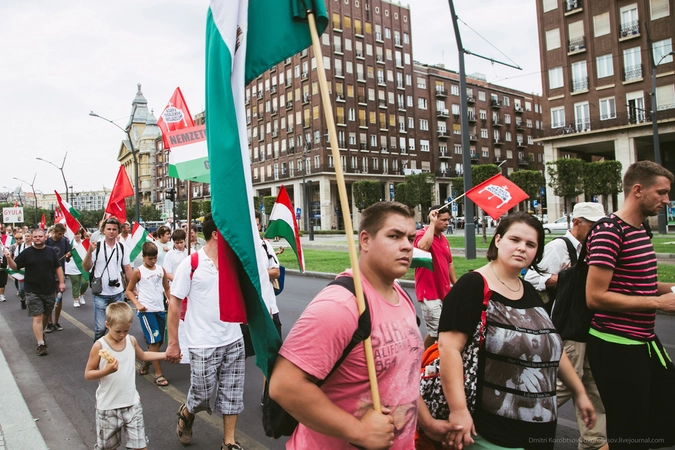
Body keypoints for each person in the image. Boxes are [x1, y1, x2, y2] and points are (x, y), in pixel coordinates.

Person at [270, 202, 424, 449]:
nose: (407, 245)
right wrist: (359, 431)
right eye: (394, 236)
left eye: (410, 238)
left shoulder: (401, 294)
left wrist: (430, 424)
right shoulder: (339, 305)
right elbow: (284, 385)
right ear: (365, 240)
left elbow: (403, 376)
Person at [438, 212, 595, 450]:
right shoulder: (473, 286)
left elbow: (552, 347)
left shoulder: (529, 290)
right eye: (515, 240)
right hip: (493, 431)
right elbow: (449, 350)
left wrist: (579, 392)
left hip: (540, 431)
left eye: (530, 244)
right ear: (498, 240)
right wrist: (458, 410)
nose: (522, 248)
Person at [585, 161, 675, 450]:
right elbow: (595, 296)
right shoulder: (610, 231)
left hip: (644, 341)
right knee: (629, 432)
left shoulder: (640, 230)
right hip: (616, 345)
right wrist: (659, 302)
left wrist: (670, 289)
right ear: (638, 190)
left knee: (658, 420)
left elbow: (641, 283)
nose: (667, 200)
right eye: (661, 192)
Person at [524, 202, 608, 450]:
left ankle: (594, 441)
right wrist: (561, 278)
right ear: (577, 222)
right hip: (567, 327)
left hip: (585, 326)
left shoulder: (591, 248)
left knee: (592, 385)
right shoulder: (559, 247)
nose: (597, 231)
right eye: (593, 226)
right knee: (565, 383)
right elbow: (531, 277)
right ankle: (523, 416)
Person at [166, 213, 245, 450]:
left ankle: (229, 442)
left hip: (233, 338)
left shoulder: (234, 261)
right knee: (201, 393)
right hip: (202, 341)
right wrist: (173, 343)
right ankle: (187, 412)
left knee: (232, 393)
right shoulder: (191, 264)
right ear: (216, 234)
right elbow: (174, 304)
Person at [84, 302, 168, 450]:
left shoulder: (131, 340)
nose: (122, 335)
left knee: (140, 446)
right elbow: (88, 374)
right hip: (108, 406)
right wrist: (106, 371)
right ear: (107, 325)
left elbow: (143, 356)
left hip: (132, 403)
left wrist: (165, 355)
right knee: (107, 447)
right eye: (118, 331)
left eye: (126, 330)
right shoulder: (99, 345)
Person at [3, 228, 66, 356]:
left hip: (49, 289)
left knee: (46, 315)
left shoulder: (51, 251)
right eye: (35, 236)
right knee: (37, 317)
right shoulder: (27, 253)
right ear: (32, 238)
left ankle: (40, 333)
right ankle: (41, 344)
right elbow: (15, 266)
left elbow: (58, 267)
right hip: (32, 290)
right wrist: (9, 259)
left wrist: (61, 282)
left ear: (45, 237)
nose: (38, 238)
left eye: (40, 236)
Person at [125, 242, 171, 386]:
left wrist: (170, 299)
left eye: (155, 258)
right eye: (150, 258)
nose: (153, 261)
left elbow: (166, 288)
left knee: (160, 341)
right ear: (143, 257)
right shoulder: (138, 272)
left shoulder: (161, 269)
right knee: (154, 341)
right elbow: (129, 291)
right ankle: (158, 373)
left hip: (160, 309)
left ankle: (146, 360)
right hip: (146, 311)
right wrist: (137, 304)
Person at [83, 217, 133, 342]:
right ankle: (98, 351)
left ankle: (116, 349)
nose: (111, 232)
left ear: (118, 231)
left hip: (117, 293)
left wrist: (132, 288)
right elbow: (86, 267)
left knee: (119, 326)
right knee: (100, 328)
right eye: (108, 229)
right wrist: (89, 251)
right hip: (101, 293)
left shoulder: (122, 247)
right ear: (103, 230)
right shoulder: (97, 246)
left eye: (114, 229)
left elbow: (127, 268)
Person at [414, 204, 457, 349]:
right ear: (434, 218)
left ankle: (423, 356)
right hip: (429, 292)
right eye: (443, 220)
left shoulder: (444, 240)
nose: (447, 223)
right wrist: (432, 223)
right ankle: (425, 357)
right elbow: (422, 248)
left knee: (437, 332)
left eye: (448, 220)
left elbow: (449, 263)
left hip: (444, 292)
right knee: (439, 332)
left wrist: (456, 285)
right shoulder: (422, 234)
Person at [255, 211, 282, 337]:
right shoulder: (240, 248)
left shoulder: (265, 246)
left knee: (275, 345)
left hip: (270, 307)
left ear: (260, 226)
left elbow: (276, 272)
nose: (254, 228)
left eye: (256, 225)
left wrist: (256, 273)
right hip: (250, 312)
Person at [45, 223, 72, 332]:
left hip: (60, 273)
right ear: (54, 232)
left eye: (63, 234)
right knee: (49, 299)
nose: (61, 236)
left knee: (59, 298)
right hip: (48, 273)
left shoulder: (65, 241)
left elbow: (68, 258)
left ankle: (56, 322)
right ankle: (49, 322)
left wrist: (68, 256)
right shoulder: (47, 242)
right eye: (60, 234)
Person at [66, 228, 89, 308]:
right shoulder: (69, 244)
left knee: (85, 282)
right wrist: (68, 256)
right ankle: (76, 300)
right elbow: (67, 259)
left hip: (83, 267)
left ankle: (81, 294)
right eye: (75, 234)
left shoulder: (84, 243)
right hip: (73, 267)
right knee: (75, 284)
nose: (77, 235)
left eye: (78, 234)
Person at [11, 231, 31, 309]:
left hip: (32, 270)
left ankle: (31, 302)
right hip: (22, 270)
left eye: (28, 236)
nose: (26, 237)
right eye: (25, 236)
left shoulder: (35, 246)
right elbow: (15, 257)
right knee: (21, 289)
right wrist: (14, 267)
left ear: (31, 237)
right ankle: (22, 299)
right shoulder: (20, 247)